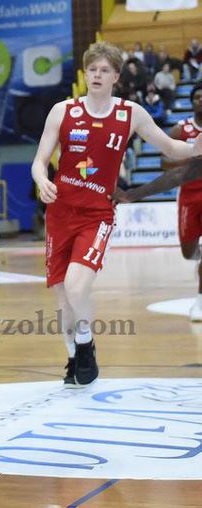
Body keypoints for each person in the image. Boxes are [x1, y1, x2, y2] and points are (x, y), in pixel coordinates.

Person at [32, 42, 202, 387]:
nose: (97, 75)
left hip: (97, 214)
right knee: (63, 296)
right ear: (85, 73)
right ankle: (73, 356)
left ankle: (86, 344)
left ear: (116, 77)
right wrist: (41, 180)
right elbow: (39, 161)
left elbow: (170, 147)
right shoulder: (63, 111)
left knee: (77, 286)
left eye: (104, 70)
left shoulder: (130, 113)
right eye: (92, 69)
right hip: (60, 213)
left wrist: (196, 146)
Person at [118, 83, 202, 320]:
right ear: (192, 101)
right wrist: (190, 158)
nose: (201, 101)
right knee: (188, 253)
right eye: (197, 97)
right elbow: (164, 161)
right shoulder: (181, 128)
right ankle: (199, 265)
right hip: (188, 196)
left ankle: (199, 302)